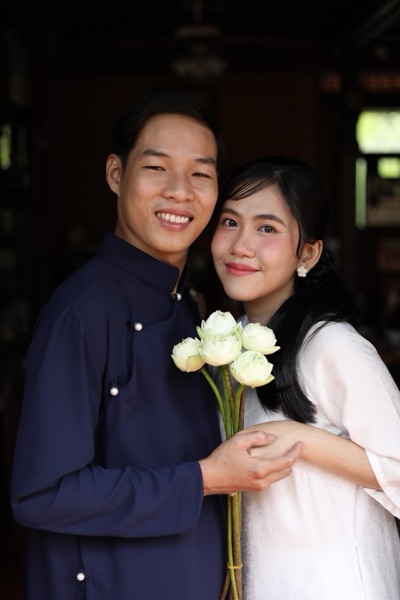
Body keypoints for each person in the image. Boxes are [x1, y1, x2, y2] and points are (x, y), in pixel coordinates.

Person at [10, 91, 303, 600]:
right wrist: (205, 478)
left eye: (200, 174)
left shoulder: (189, 304)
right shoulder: (82, 312)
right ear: (115, 174)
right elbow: (43, 493)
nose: (179, 192)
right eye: (156, 168)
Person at [211, 155, 400, 599]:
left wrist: (299, 438)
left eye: (267, 228)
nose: (241, 245)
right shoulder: (225, 345)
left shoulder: (333, 346)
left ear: (308, 253)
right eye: (230, 222)